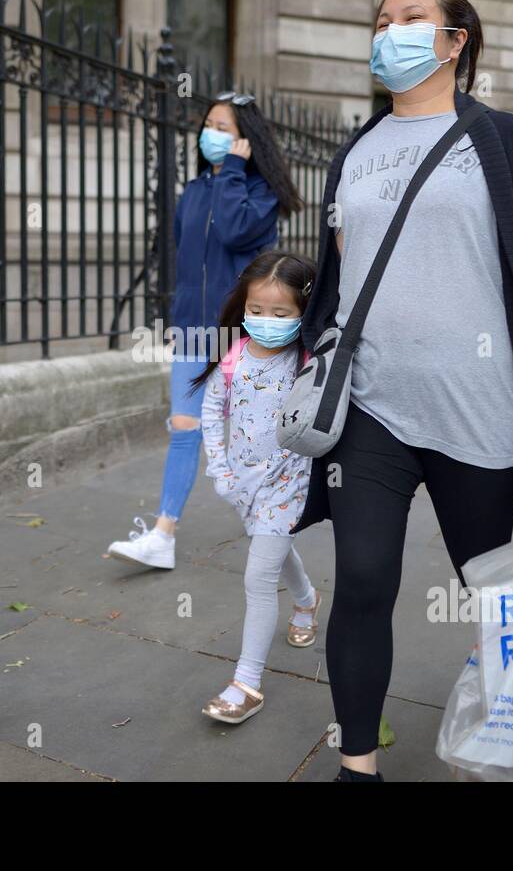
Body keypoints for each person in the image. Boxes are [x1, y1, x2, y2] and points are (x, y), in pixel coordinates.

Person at [290, 0, 513, 782]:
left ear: (456, 41)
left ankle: (505, 731)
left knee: (494, 595)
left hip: (479, 411)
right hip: (372, 411)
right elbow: (342, 275)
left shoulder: (505, 140)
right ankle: (357, 762)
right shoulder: (356, 148)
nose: (390, 33)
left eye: (411, 19)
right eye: (382, 21)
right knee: (364, 581)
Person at [106, 93, 302, 569]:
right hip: (195, 332)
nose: (210, 133)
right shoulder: (193, 191)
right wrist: (178, 319)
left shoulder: (261, 194)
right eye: (208, 123)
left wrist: (233, 173)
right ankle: (163, 534)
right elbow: (184, 261)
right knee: (184, 427)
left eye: (223, 127)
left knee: (252, 450)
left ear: (246, 141)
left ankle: (290, 571)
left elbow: (235, 232)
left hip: (246, 335)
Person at [195, 251, 321, 724]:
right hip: (242, 485)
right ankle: (308, 601)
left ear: (302, 314)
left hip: (289, 483)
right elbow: (211, 413)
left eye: (280, 313)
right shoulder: (232, 359)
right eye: (256, 311)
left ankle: (245, 682)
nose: (265, 321)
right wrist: (220, 469)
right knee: (275, 552)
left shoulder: (306, 360)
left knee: (258, 576)